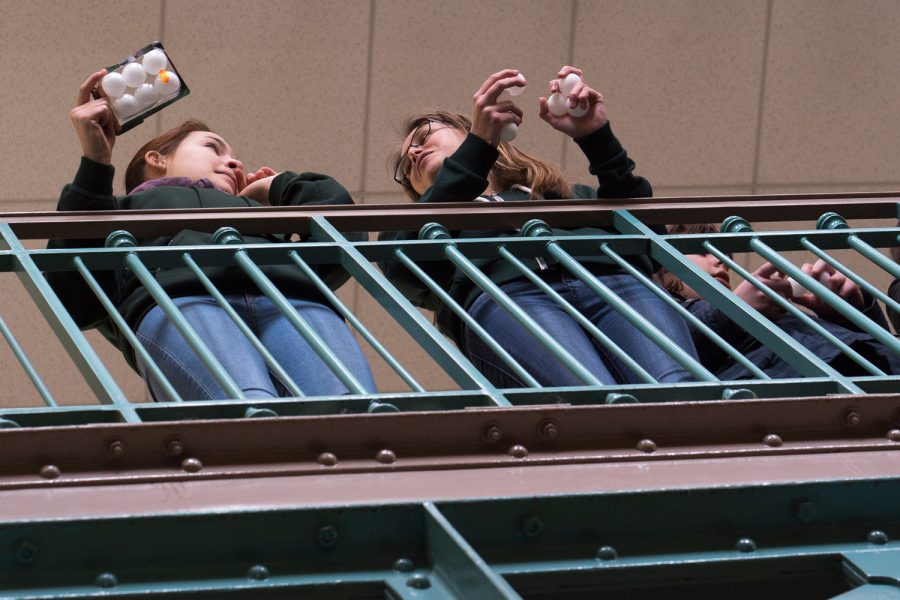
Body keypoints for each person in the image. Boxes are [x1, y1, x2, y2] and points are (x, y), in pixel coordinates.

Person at [47, 69, 376, 401]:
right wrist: (95, 165)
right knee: (248, 408)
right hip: (180, 301)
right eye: (213, 148)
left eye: (233, 156)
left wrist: (279, 187)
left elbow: (340, 240)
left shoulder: (260, 216)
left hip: (293, 299)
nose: (233, 162)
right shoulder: (118, 211)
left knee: (346, 406)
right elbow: (77, 300)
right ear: (157, 158)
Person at [379, 67, 701, 387]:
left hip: (615, 282)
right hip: (508, 300)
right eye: (406, 167)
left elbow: (651, 234)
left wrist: (596, 138)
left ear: (467, 127)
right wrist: (477, 149)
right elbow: (399, 266)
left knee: (676, 385)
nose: (415, 153)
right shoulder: (411, 229)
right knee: (586, 399)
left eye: (423, 137)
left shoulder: (565, 197)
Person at [656, 223, 900, 379]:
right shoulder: (653, 311)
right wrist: (734, 311)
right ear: (663, 270)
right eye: (703, 251)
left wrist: (849, 312)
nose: (720, 261)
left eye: (724, 255)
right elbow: (662, 357)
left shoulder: (764, 312)